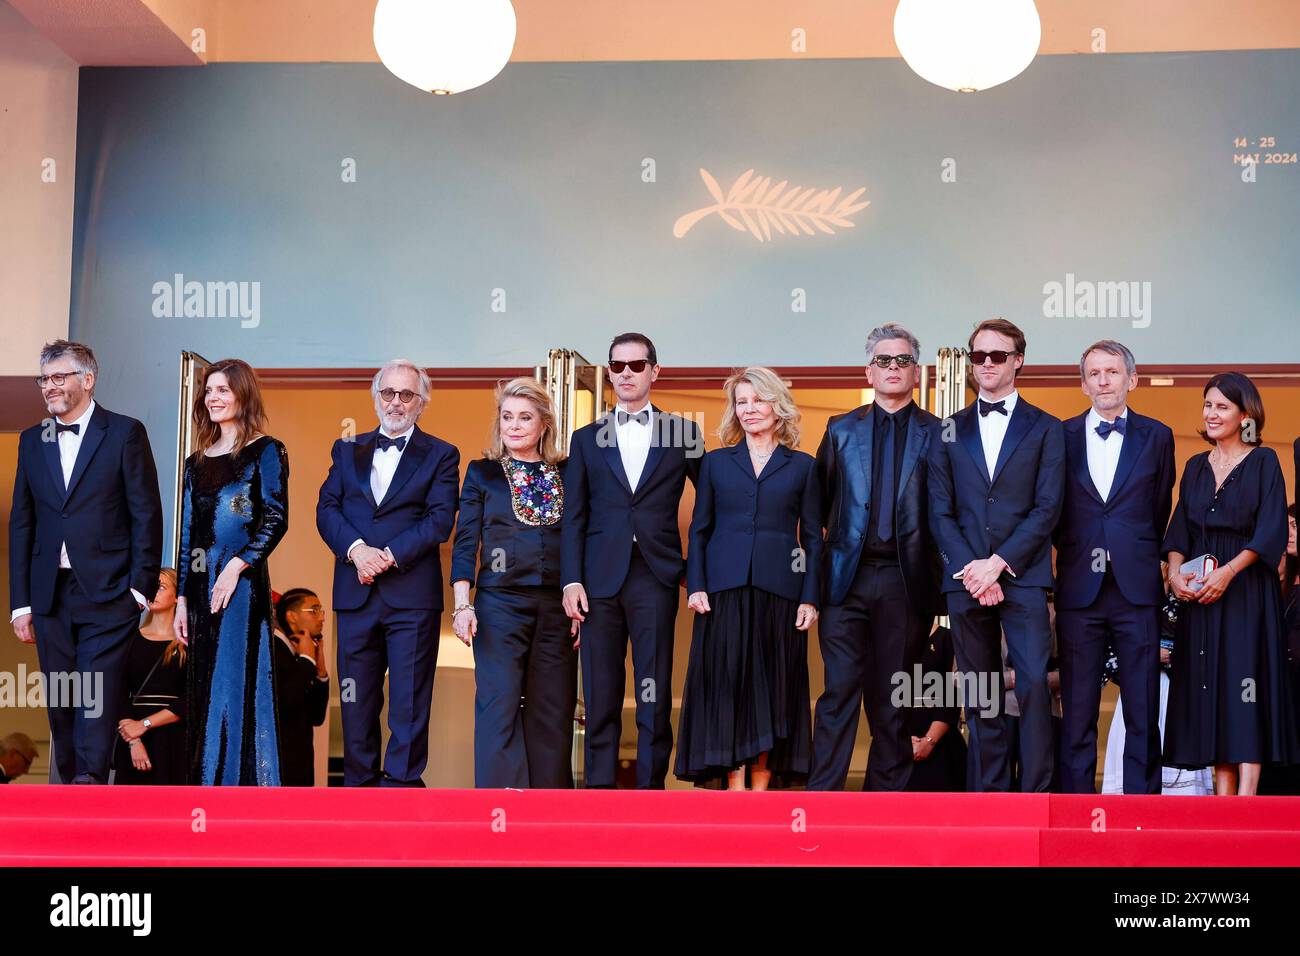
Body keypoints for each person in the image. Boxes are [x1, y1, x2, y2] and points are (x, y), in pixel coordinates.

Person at [9, 339, 163, 784]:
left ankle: (90, 782)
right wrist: (21, 604)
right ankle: (72, 783)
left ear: (88, 380)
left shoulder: (125, 432)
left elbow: (145, 512)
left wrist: (140, 587)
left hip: (110, 589)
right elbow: (22, 523)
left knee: (95, 690)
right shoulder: (31, 440)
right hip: (49, 593)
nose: (49, 387)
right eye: (45, 379)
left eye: (60, 377)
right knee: (61, 696)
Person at [927, 318, 1065, 792]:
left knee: (1030, 686)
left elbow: (1048, 508)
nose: (986, 364)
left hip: (1022, 577)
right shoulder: (946, 430)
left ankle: (1036, 793)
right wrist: (974, 571)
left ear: (1018, 361)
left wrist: (998, 564)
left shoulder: (1047, 428)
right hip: (965, 578)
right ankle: (988, 796)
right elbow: (939, 510)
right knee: (979, 690)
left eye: (997, 355)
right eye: (978, 355)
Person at [561, 332, 703, 789]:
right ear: (608, 372)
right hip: (597, 580)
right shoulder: (585, 439)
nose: (626, 373)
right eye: (617, 366)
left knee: (654, 693)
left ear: (654, 371)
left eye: (636, 365)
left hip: (657, 574)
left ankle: (649, 793)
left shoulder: (685, 433)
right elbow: (573, 517)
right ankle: (600, 795)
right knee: (600, 694)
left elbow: (716, 503)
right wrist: (570, 581)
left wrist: (696, 572)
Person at [809, 323, 943, 791]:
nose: (892, 368)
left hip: (907, 585)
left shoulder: (940, 433)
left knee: (892, 699)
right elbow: (818, 507)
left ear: (915, 371)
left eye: (902, 360)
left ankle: (886, 807)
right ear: (869, 370)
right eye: (883, 360)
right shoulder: (841, 429)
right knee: (839, 690)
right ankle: (822, 801)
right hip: (845, 581)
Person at [316, 359, 460, 787]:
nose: (396, 402)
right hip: (355, 591)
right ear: (376, 397)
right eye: (388, 393)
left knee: (409, 700)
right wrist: (359, 552)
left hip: (411, 595)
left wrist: (389, 555)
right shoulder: (346, 450)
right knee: (356, 698)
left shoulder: (441, 454)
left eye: (406, 395)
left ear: (422, 402)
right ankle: (358, 789)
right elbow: (326, 510)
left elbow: (439, 520)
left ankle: (401, 787)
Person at [675, 367, 821, 790]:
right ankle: (734, 784)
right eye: (742, 402)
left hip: (781, 593)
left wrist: (810, 598)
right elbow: (699, 530)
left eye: (758, 400)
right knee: (727, 685)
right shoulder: (717, 464)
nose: (750, 409)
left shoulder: (804, 466)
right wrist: (697, 584)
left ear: (778, 406)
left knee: (773, 688)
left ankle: (761, 787)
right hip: (722, 592)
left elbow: (812, 537)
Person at [1163, 372, 1296, 795]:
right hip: (1201, 600)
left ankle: (1247, 800)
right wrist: (1174, 572)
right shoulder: (1196, 467)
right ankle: (1223, 801)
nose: (1212, 413)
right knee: (1212, 689)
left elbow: (1270, 531)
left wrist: (1229, 571)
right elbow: (1179, 532)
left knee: (1245, 686)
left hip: (1246, 595)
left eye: (1222, 406)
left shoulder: (1263, 462)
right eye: (1208, 405)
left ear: (1244, 415)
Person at [1054, 340, 1175, 794]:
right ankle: (1076, 812)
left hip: (1136, 588)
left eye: (1112, 371)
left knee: (1142, 708)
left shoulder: (1158, 436)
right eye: (1094, 373)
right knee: (1079, 708)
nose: (1103, 380)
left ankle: (1141, 811)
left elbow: (1158, 506)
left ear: (1132, 380)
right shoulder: (1059, 436)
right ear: (1083, 384)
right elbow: (1053, 511)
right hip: (1079, 590)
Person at [451, 378, 577, 788]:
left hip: (557, 607)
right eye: (507, 417)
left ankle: (548, 811)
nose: (514, 426)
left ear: (544, 425)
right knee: (499, 701)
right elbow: (466, 540)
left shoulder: (569, 472)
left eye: (525, 417)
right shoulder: (482, 473)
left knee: (552, 706)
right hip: (499, 603)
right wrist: (462, 603)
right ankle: (499, 807)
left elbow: (582, 538)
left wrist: (578, 601)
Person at [175, 358, 289, 786]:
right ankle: (206, 787)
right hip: (202, 588)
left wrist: (238, 567)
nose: (214, 398)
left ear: (243, 394)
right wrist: (183, 600)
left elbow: (275, 517)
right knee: (204, 684)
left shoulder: (266, 451)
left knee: (235, 680)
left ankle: (242, 789)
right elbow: (188, 535)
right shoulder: (195, 464)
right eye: (209, 391)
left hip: (240, 585)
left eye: (223, 390)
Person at [114, 569, 187, 785]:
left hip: (174, 738)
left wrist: (144, 724)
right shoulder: (128, 640)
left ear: (177, 597)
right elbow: (117, 690)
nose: (153, 592)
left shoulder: (188, 643)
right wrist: (134, 740)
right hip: (133, 739)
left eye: (162, 587)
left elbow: (191, 698)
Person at [272, 589, 330, 787]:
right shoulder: (272, 651)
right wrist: (306, 660)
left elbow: (316, 716)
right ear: (292, 616)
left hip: (301, 772)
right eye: (314, 610)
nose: (322, 617)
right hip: (278, 771)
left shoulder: (301, 655)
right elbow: (284, 702)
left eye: (321, 611)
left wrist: (320, 671)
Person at [903, 623, 967, 792]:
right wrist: (900, 740)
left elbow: (953, 692)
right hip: (895, 742)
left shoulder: (948, 638)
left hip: (940, 742)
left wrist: (929, 741)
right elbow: (879, 693)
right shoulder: (888, 637)